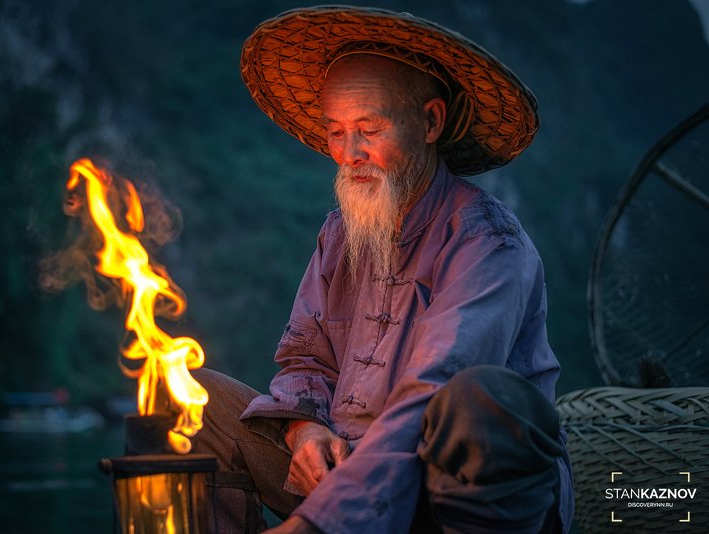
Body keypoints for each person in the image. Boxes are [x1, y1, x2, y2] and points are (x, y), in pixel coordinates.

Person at [192, 6, 574, 533]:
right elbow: (306, 357)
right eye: (336, 131)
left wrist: (317, 524)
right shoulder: (339, 235)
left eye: (369, 129)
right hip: (342, 470)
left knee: (472, 403)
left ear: (430, 122)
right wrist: (303, 430)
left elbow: (434, 390)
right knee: (192, 398)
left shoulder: (488, 243)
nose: (349, 154)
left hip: (450, 489)